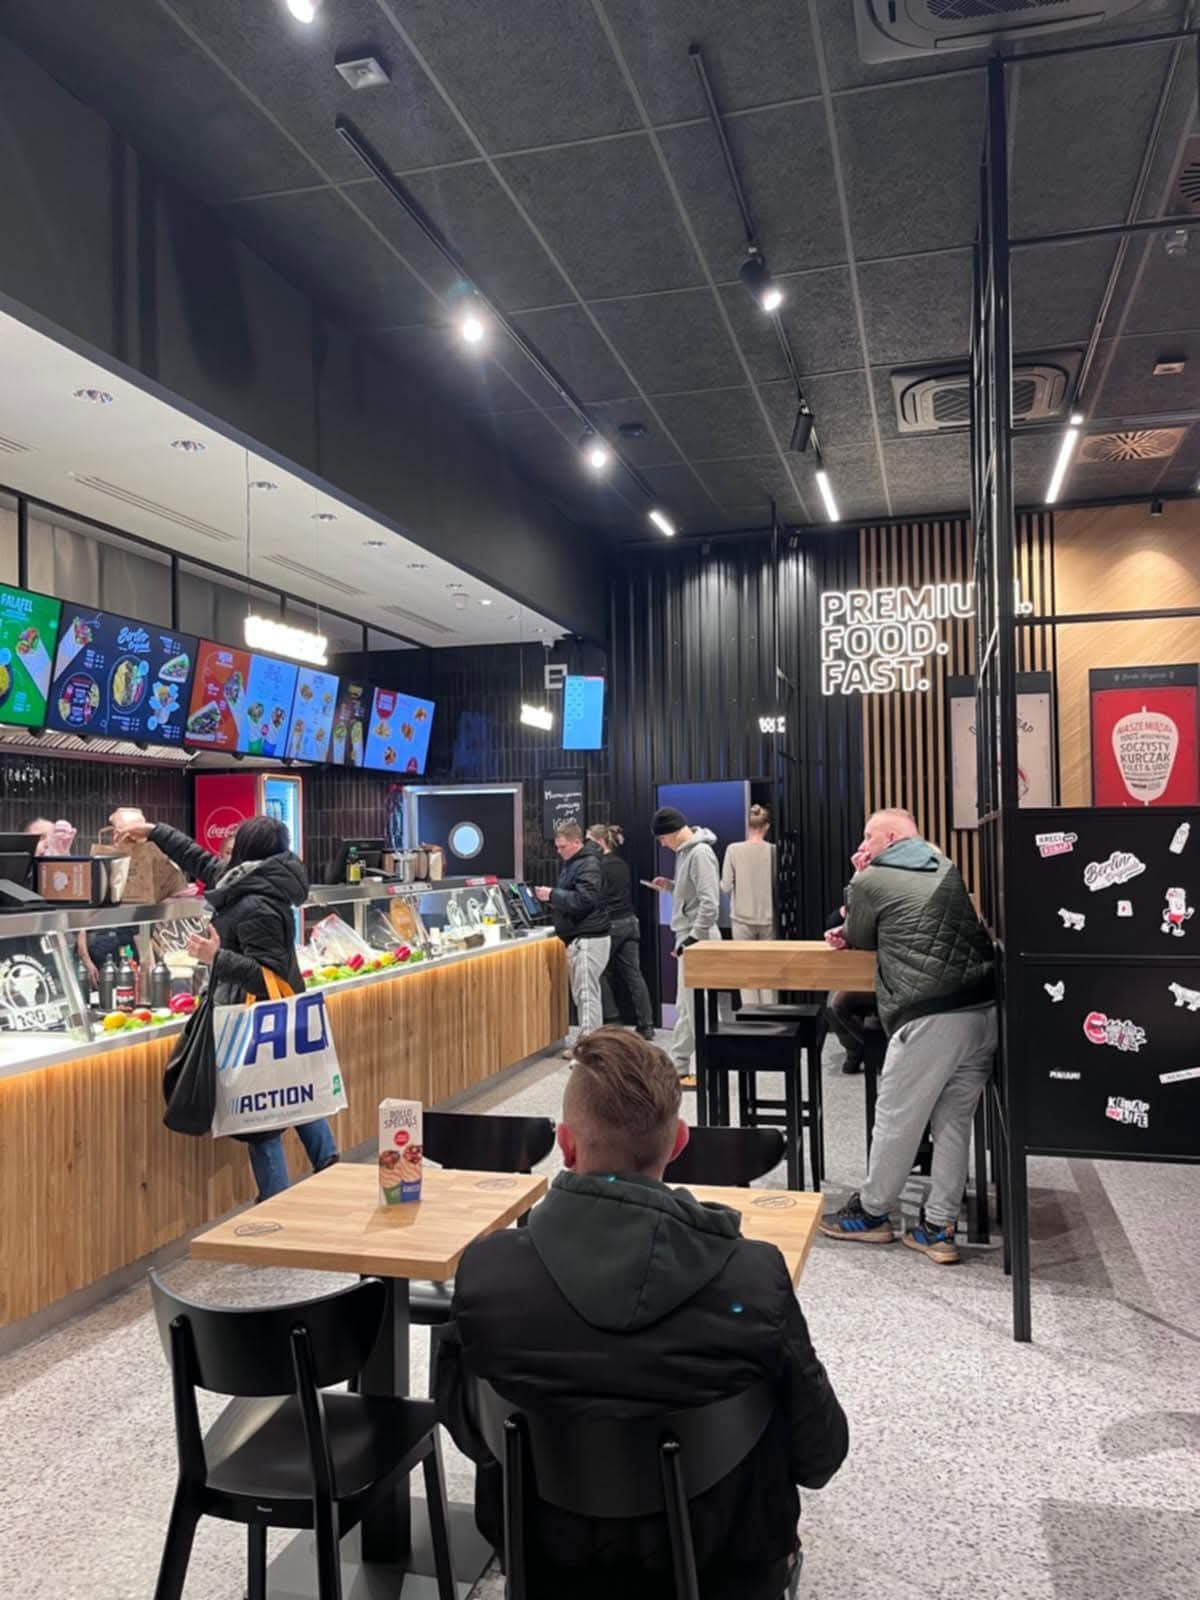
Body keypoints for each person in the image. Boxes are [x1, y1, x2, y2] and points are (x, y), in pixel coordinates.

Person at [436, 1027, 848, 1600]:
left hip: (550, 1574)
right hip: (722, 1577)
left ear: (566, 1145)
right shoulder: (753, 1280)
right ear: (679, 1141)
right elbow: (820, 1454)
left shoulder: (487, 1275)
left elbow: (473, 1433)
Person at [119, 813, 338, 1201]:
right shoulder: (249, 878)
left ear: (246, 851)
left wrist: (214, 956)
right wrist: (154, 831)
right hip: (276, 1017)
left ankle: (276, 1205)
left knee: (261, 1122)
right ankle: (331, 1169)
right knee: (296, 1094)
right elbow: (197, 858)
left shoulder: (257, 902)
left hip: (258, 1021)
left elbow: (266, 976)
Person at [819, 808, 996, 1264]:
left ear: (892, 838)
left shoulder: (871, 878)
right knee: (954, 1121)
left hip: (929, 1015)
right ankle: (938, 1228)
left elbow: (860, 934)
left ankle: (872, 1213)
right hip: (983, 1009)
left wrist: (857, 880)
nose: (863, 845)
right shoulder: (945, 866)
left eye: (869, 837)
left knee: (897, 1118)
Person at [649, 806, 720, 1085]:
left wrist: (693, 938)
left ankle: (700, 1066)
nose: (663, 844)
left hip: (698, 937)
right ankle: (682, 1066)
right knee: (688, 1006)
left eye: (662, 838)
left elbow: (710, 903)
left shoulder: (700, 853)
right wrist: (670, 886)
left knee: (696, 1007)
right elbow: (692, 893)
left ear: (672, 831)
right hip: (690, 935)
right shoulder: (687, 853)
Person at [535, 822, 611, 1047]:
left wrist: (552, 895)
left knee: (587, 996)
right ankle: (589, 1046)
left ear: (577, 842)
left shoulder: (587, 864)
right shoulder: (576, 863)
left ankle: (589, 1050)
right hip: (582, 937)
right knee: (584, 995)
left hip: (588, 937)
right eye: (557, 847)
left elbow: (585, 900)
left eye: (563, 847)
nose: (559, 851)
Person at [587, 822, 655, 1041]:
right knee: (634, 974)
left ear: (599, 841)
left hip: (610, 924)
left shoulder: (598, 866)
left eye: (589, 840)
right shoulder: (621, 864)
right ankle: (646, 1025)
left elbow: (595, 897)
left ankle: (612, 1021)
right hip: (630, 922)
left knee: (598, 972)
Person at [720, 804, 776, 1006]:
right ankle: (772, 1013)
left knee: (746, 971)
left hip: (741, 919)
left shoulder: (733, 850)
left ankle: (752, 1014)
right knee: (769, 972)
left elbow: (726, 886)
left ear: (748, 825)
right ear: (767, 826)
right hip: (769, 918)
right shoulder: (774, 851)